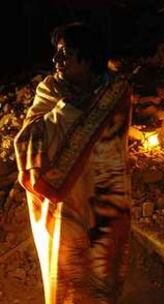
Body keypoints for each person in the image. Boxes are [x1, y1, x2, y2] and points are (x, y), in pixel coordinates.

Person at [14, 23, 132, 303]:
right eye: (56, 53)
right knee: (69, 274)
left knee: (104, 274)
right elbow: (27, 138)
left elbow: (114, 147)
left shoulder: (116, 93)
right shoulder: (50, 90)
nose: (56, 61)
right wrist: (67, 109)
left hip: (106, 198)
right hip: (66, 206)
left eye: (65, 53)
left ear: (88, 57)